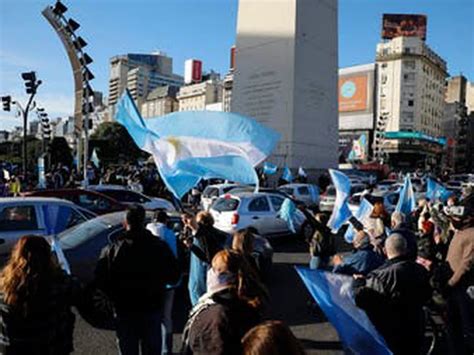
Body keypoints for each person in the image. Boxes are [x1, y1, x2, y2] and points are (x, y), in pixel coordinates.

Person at [95, 205, 180, 355]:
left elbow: (101, 279)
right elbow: (174, 275)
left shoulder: (113, 249)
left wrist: (113, 298)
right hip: (150, 307)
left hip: (124, 310)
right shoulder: (159, 247)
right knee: (152, 348)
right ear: (143, 222)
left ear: (125, 223)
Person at [354, 234, 431, 355]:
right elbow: (427, 295)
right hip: (416, 325)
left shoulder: (379, 275)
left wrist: (358, 284)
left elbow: (363, 301)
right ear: (406, 249)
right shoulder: (420, 269)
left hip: (391, 330)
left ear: (385, 251)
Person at [0, 236, 79, 354]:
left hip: (14, 348)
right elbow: (83, 298)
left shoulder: (5, 285)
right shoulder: (61, 283)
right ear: (48, 256)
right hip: (52, 347)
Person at [181, 250, 264, 355]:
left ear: (227, 276)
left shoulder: (217, 314)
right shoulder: (246, 300)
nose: (210, 272)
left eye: (215, 269)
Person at [146, 210, 181, 355]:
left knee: (151, 315)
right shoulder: (169, 234)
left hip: (151, 281)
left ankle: (151, 346)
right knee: (166, 316)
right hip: (168, 282)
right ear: (166, 221)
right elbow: (175, 256)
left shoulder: (147, 232)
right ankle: (166, 349)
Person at [444, 192, 474, 354]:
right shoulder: (462, 233)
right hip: (455, 288)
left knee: (467, 327)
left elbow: (466, 264)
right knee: (454, 326)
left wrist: (450, 283)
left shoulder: (472, 234)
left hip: (463, 288)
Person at [182, 211, 227, 305]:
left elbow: (204, 254)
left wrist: (191, 245)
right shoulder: (218, 235)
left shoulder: (201, 237)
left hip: (200, 276)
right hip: (214, 277)